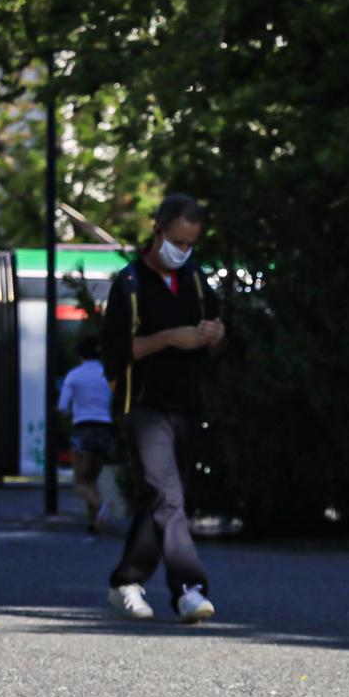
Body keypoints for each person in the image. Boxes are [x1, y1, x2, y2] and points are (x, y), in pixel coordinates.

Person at [99, 193, 225, 623]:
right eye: (178, 241)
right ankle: (188, 588)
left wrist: (213, 334)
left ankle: (125, 582)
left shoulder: (194, 278)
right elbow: (117, 351)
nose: (183, 251)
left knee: (165, 499)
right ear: (158, 231)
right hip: (143, 405)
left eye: (191, 244)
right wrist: (171, 337)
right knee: (167, 496)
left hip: (187, 403)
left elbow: (219, 331)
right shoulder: (129, 284)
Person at [58, 332, 116, 536]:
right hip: (106, 430)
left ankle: (102, 508)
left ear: (80, 354)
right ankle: (94, 524)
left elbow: (63, 406)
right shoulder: (107, 374)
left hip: (84, 429)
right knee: (92, 480)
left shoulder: (74, 376)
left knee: (81, 483)